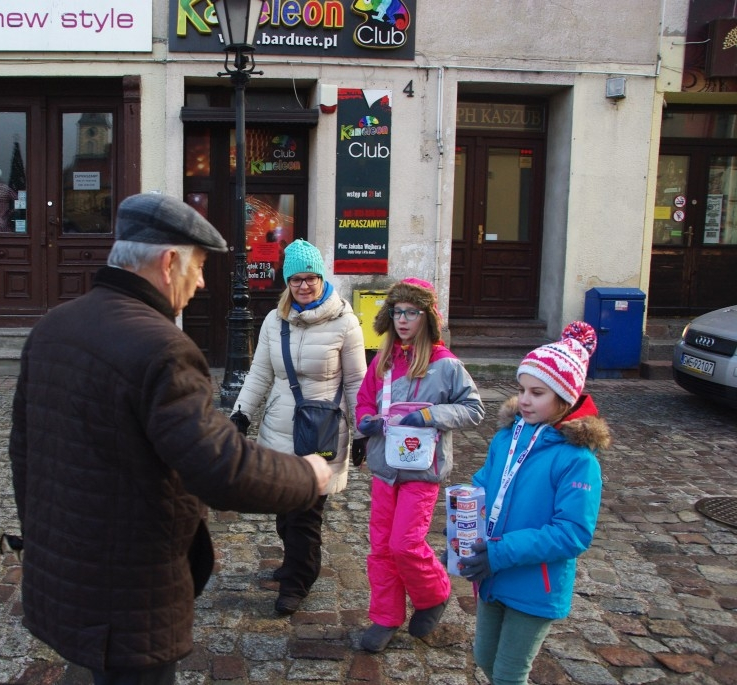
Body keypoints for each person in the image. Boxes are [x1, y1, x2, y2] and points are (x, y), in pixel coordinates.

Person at [8, 193, 333, 685]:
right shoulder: (162, 347)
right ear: (168, 262)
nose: (201, 282)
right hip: (131, 591)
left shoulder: (54, 326)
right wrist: (308, 475)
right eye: (199, 266)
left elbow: (23, 453)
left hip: (68, 572)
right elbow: (221, 468)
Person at [463, 322, 608, 685]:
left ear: (565, 397)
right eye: (522, 389)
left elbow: (573, 533)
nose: (524, 399)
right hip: (492, 572)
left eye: (537, 392)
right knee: (485, 658)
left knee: (510, 674)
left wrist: (500, 551)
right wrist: (467, 502)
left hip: (535, 582)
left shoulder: (578, 459)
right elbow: (487, 479)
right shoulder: (507, 436)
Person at [230, 239, 367, 615]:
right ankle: (296, 563)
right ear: (287, 282)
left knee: (306, 512)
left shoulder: (345, 321)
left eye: (310, 278)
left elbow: (357, 381)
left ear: (322, 278)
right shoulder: (276, 321)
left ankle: (296, 582)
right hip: (278, 428)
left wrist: (362, 431)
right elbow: (260, 372)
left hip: (321, 432)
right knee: (284, 510)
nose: (304, 286)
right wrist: (241, 413)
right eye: (295, 280)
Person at [354, 277, 484, 652]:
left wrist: (431, 415)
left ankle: (434, 593)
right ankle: (385, 616)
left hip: (421, 471)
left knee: (405, 543)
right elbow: (364, 401)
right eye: (397, 312)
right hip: (385, 467)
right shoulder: (381, 360)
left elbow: (473, 409)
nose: (403, 320)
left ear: (426, 317)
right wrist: (365, 422)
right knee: (380, 546)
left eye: (411, 312)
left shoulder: (446, 366)